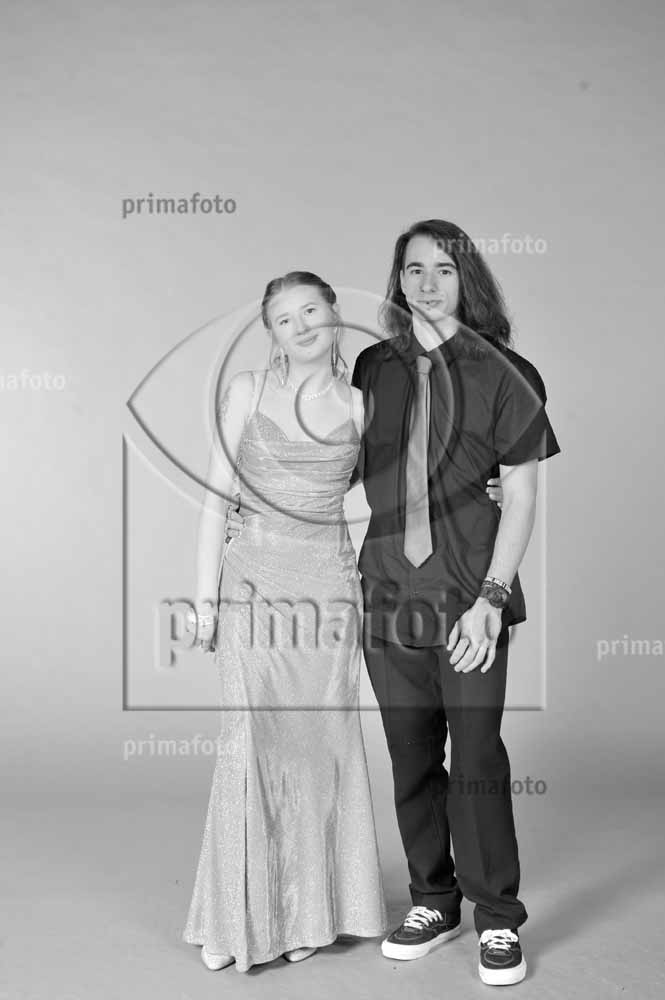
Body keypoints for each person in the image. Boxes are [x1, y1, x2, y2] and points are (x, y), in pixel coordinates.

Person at [350, 219, 561, 986]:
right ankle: (432, 901)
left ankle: (496, 917)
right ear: (397, 281)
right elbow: (344, 462)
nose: (427, 283)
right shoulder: (373, 366)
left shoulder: (508, 372)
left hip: (469, 593)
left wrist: (490, 598)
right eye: (413, 269)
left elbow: (522, 494)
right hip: (387, 591)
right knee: (410, 756)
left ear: (466, 279)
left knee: (473, 759)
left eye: (443, 268)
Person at [181, 271, 388, 973]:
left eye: (309, 310)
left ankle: (309, 913)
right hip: (251, 583)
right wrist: (204, 599)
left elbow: (391, 485)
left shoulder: (361, 405)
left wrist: (481, 485)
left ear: (333, 314)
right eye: (282, 318)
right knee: (250, 742)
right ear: (270, 332)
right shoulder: (246, 389)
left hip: (327, 590)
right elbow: (215, 497)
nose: (299, 326)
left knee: (317, 747)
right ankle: (234, 918)